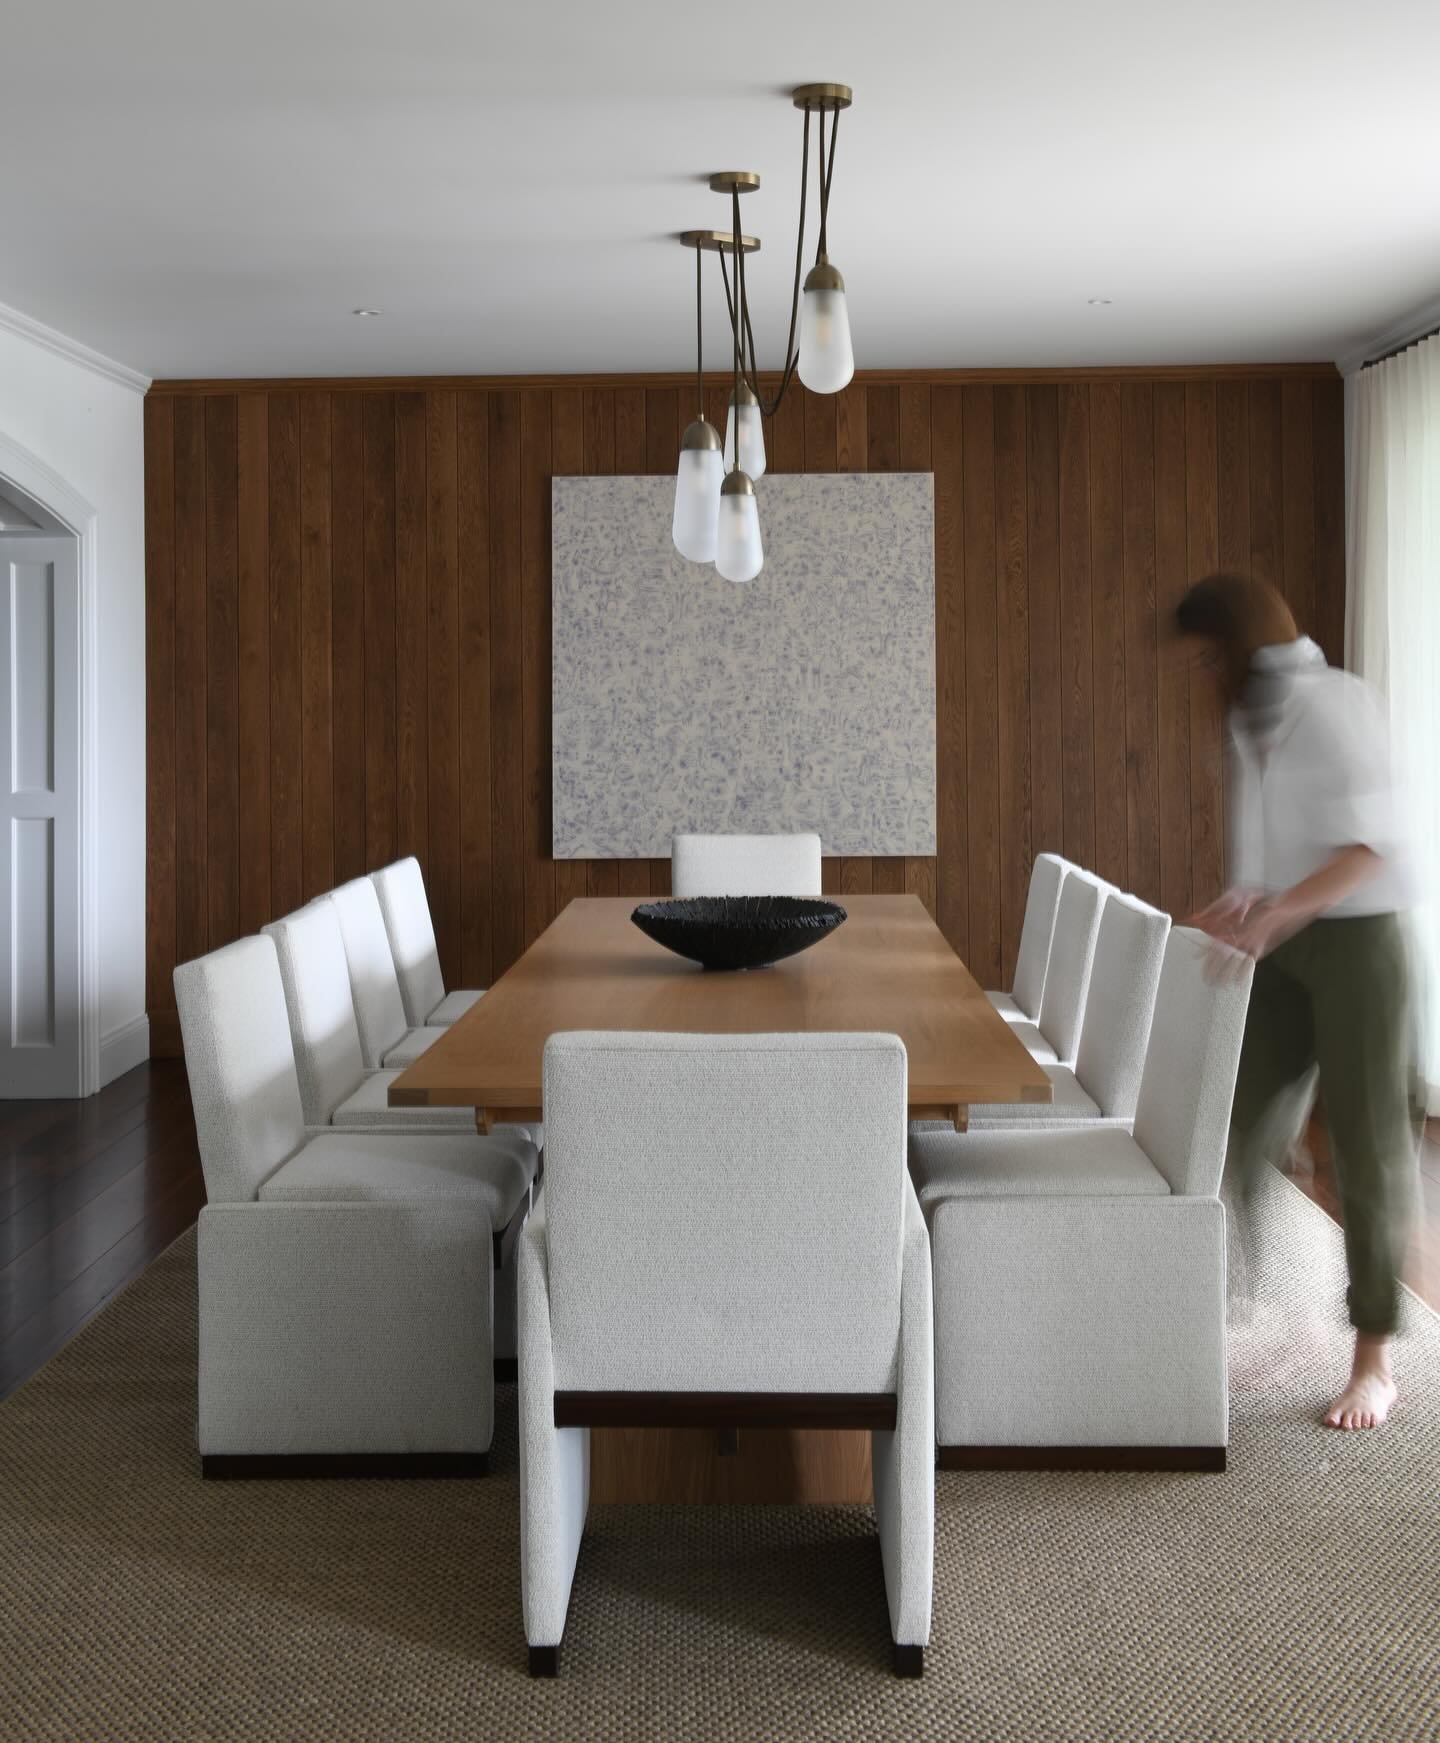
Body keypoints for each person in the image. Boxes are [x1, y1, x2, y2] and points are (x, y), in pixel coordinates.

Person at [1176, 574, 1418, 1431]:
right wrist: (1244, 900)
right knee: (1233, 1119)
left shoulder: (1338, 706)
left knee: (1365, 1149)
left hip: (1359, 945)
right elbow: (1273, 853)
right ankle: (1251, 1312)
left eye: (1211, 656)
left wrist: (1281, 910)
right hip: (1286, 943)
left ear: (1242, 647)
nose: (1206, 673)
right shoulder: (1252, 722)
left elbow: (1374, 848)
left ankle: (1375, 1360)